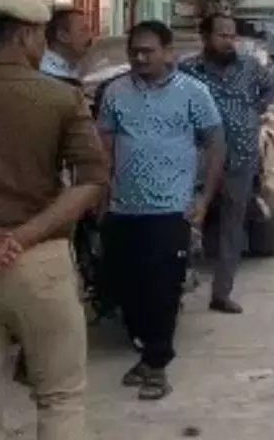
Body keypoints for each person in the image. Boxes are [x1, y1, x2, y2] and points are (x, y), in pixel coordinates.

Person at [0, 0, 108, 439]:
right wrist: (20, 237)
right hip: (38, 261)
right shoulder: (60, 98)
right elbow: (91, 180)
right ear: (24, 36)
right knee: (60, 397)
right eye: (41, 36)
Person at [95, 20, 226, 401]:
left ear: (168, 53)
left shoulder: (193, 92)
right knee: (125, 289)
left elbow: (216, 143)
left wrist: (204, 199)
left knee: (162, 290)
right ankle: (146, 354)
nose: (140, 58)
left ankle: (157, 365)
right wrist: (100, 198)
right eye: (134, 51)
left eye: (148, 51)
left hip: (170, 209)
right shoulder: (115, 92)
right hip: (123, 208)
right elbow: (103, 146)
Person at [180, 13, 274, 314]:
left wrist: (253, 112)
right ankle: (177, 286)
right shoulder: (188, 71)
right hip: (199, 160)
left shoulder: (249, 67)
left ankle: (221, 294)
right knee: (187, 221)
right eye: (221, 35)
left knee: (232, 227)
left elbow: (272, 87)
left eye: (231, 36)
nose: (228, 41)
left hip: (240, 159)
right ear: (205, 37)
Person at [39, 8, 92, 85]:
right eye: (84, 30)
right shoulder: (47, 73)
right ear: (62, 36)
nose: (90, 36)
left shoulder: (76, 65)